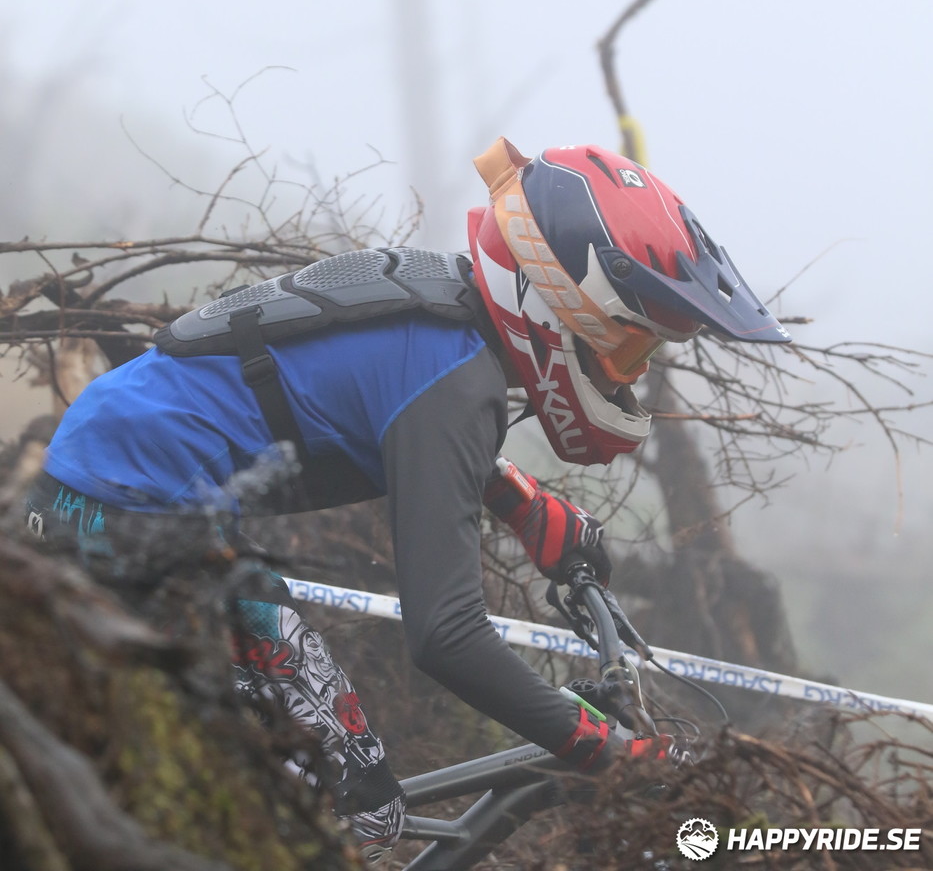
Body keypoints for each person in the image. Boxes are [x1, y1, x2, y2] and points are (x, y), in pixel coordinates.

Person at [22, 138, 789, 861]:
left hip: (104, 490)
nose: (630, 372)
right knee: (351, 813)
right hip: (123, 518)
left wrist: (521, 504)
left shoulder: (445, 310)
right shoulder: (456, 385)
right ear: (560, 307)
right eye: (630, 347)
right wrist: (613, 751)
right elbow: (447, 637)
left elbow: (382, 403)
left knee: (284, 791)